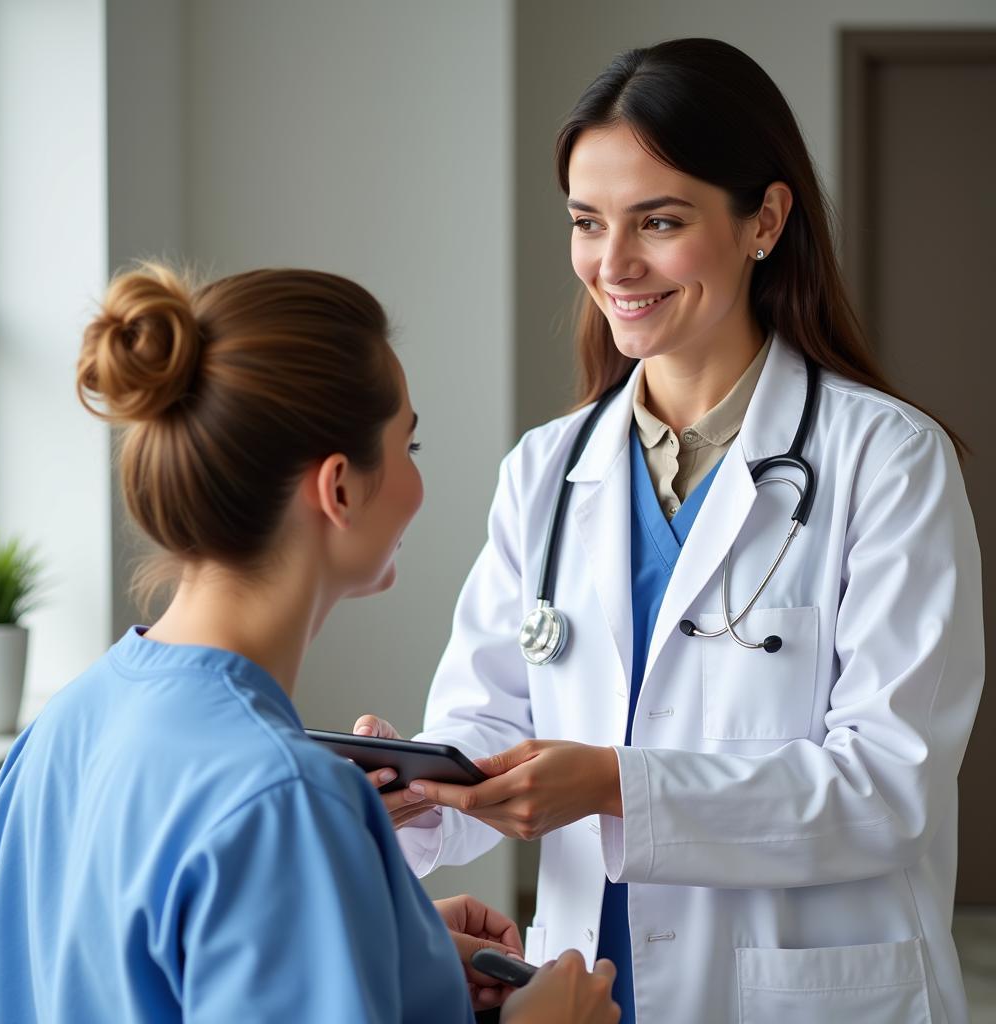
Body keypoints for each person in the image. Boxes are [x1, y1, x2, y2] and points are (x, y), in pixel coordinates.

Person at [356, 38, 985, 1024]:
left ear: (763, 220)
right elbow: (491, 717)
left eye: (658, 221)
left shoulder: (887, 459)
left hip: (804, 994)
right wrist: (422, 784)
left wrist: (613, 784)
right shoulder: (547, 469)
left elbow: (887, 787)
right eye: (586, 222)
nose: (613, 265)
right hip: (585, 989)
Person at [0, 265, 620, 1023]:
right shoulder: (291, 800)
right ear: (339, 489)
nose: (417, 482)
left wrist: (388, 945)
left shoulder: (61, 730)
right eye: (411, 445)